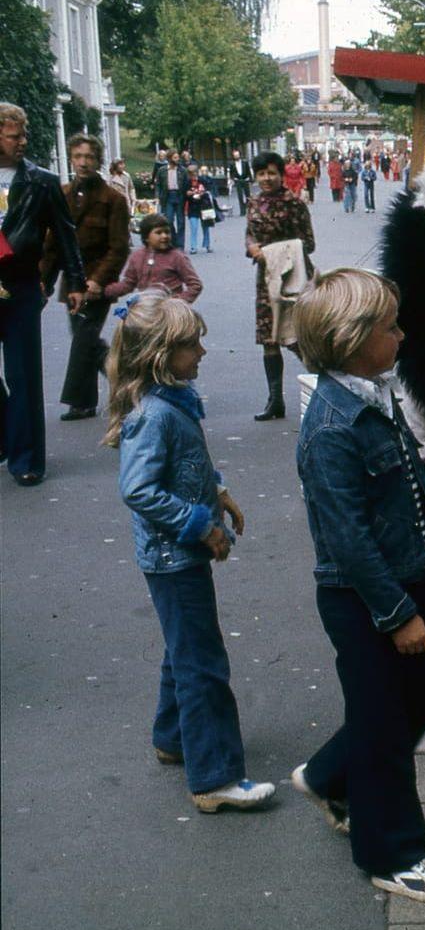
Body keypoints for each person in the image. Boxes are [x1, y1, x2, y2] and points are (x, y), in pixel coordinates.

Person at [290, 267, 425, 905]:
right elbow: (349, 540)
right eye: (390, 327)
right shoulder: (332, 428)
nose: (402, 334)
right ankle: (392, 853)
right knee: (388, 723)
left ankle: (330, 775)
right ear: (350, 339)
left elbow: (406, 493)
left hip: (404, 580)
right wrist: (397, 615)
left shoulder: (370, 394)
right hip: (365, 598)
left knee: (414, 701)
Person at [103, 290, 277, 814]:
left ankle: (173, 735)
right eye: (190, 344)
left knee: (183, 645)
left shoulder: (172, 400)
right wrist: (201, 525)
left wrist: (219, 493)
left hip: (173, 555)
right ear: (159, 354)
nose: (202, 352)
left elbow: (189, 464)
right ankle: (215, 775)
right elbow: (139, 489)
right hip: (173, 556)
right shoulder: (156, 413)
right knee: (202, 661)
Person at [0, 102, 85, 486]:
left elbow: (66, 235)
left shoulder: (41, 181)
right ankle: (7, 434)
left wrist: (76, 283)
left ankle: (27, 459)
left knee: (24, 374)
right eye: (14, 136)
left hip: (19, 287)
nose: (22, 142)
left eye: (23, 135)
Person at [41, 133, 130, 423]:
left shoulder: (113, 199)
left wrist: (99, 280)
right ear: (71, 158)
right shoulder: (62, 194)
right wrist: (43, 280)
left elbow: (119, 247)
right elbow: (53, 244)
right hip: (71, 282)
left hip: (97, 281)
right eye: (78, 156)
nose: (83, 162)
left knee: (84, 337)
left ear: (98, 160)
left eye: (89, 157)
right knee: (85, 339)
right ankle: (124, 383)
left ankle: (82, 400)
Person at [245, 151, 316, 421]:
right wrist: (251, 247)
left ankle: (327, 390)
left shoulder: (294, 203)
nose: (266, 178)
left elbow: (308, 243)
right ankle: (275, 401)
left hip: (292, 279)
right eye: (261, 173)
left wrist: (272, 252)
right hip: (265, 280)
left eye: (271, 173)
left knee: (296, 338)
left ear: (281, 174)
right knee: (269, 339)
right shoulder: (253, 202)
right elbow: (250, 234)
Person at [106, 214, 203, 303]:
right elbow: (128, 283)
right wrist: (105, 291)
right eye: (159, 233)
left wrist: (178, 302)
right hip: (146, 311)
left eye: (167, 232)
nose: (164, 236)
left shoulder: (177, 257)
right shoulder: (137, 257)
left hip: (171, 313)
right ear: (146, 237)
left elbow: (195, 285)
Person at [154, 151, 188, 248]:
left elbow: (186, 184)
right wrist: (157, 196)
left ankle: (180, 245)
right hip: (167, 196)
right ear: (169, 159)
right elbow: (158, 184)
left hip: (179, 196)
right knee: (168, 220)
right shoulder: (162, 170)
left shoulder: (182, 170)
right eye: (175, 157)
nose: (178, 159)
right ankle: (174, 241)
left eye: (178, 157)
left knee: (181, 221)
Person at [184, 163, 216, 255]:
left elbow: (208, 191)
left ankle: (207, 245)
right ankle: (193, 247)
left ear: (197, 172)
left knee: (206, 226)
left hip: (203, 206)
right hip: (192, 207)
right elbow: (184, 194)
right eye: (191, 174)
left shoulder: (203, 180)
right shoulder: (187, 182)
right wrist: (187, 194)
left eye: (194, 173)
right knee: (193, 227)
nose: (193, 176)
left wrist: (203, 193)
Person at [229, 151, 252, 216]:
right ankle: (242, 211)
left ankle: (249, 210)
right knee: (240, 196)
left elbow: (249, 171)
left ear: (240, 155)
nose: (236, 156)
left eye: (237, 155)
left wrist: (250, 179)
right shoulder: (232, 164)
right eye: (235, 155)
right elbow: (231, 173)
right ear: (233, 156)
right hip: (238, 180)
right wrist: (233, 179)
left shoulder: (245, 162)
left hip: (245, 179)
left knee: (248, 196)